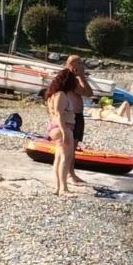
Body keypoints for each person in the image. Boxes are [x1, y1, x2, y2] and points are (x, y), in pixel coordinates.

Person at [43, 59, 89, 193]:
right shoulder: (61, 95)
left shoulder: (52, 95)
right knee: (65, 158)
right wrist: (64, 132)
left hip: (56, 128)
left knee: (58, 158)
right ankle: (64, 188)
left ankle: (58, 187)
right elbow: (59, 114)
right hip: (63, 128)